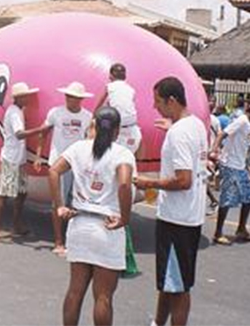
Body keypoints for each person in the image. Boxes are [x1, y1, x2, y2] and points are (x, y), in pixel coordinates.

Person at [49, 107, 134, 326]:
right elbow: (124, 183)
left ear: (93, 124)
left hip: (80, 224)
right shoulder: (122, 154)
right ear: (117, 131)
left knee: (75, 292)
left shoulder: (79, 148)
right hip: (107, 228)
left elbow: (54, 171)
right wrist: (125, 218)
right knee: (103, 297)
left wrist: (59, 206)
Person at [134, 77, 208, 326]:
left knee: (178, 287)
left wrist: (149, 182)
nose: (155, 108)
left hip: (178, 220)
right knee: (169, 280)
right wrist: (172, 127)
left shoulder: (180, 133)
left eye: (158, 102)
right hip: (189, 217)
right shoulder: (195, 124)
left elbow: (183, 180)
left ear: (172, 100)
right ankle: (157, 322)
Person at [34, 81, 94, 254]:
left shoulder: (87, 116)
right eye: (68, 96)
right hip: (58, 163)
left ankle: (73, 239)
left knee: (77, 202)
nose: (70, 100)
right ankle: (58, 241)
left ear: (80, 99)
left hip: (79, 165)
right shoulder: (56, 113)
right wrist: (38, 156)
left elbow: (90, 139)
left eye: (74, 97)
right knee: (58, 202)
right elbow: (43, 132)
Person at [0, 82, 47, 242]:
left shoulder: (18, 111)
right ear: (18, 98)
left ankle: (16, 224)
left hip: (19, 158)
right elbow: (19, 134)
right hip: (11, 158)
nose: (28, 99)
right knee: (3, 193)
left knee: (22, 193)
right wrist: (40, 130)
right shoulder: (14, 113)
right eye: (25, 97)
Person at [209, 100, 250, 245]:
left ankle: (241, 229)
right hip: (231, 165)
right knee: (227, 198)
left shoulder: (249, 124)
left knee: (249, 196)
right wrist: (214, 150)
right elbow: (222, 134)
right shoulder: (242, 121)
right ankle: (218, 233)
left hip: (240, 166)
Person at [95, 63, 143, 160]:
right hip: (132, 125)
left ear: (111, 76)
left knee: (112, 155)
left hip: (118, 125)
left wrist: (94, 115)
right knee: (130, 153)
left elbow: (100, 103)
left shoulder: (109, 87)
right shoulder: (130, 89)